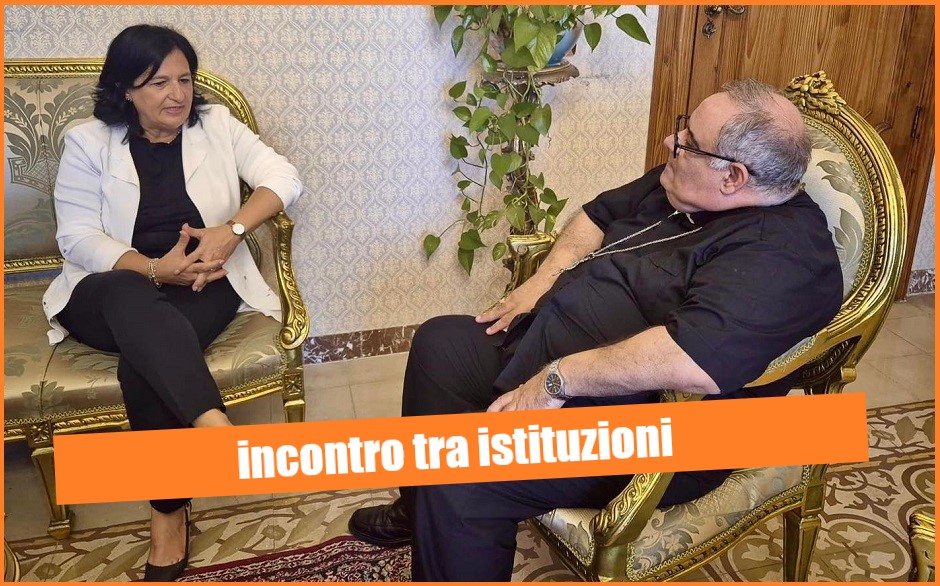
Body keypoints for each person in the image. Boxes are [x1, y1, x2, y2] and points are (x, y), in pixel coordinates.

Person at [348, 80, 844, 581]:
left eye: (688, 140)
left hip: (653, 431)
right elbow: (596, 215)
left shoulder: (784, 258)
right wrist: (541, 281)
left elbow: (689, 359)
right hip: (554, 347)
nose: (670, 142)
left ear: (733, 177)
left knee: (463, 474)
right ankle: (420, 508)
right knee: (440, 345)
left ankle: (449, 500)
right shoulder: (687, 183)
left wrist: (554, 381)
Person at [41, 24, 302, 581]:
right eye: (158, 83)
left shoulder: (217, 125)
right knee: (131, 295)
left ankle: (168, 521)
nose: (177, 95)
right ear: (125, 89)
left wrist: (232, 231)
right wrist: (154, 269)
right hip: (110, 288)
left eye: (185, 80)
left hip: (205, 280)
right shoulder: (88, 141)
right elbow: (77, 237)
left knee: (145, 364)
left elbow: (284, 177)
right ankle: (214, 427)